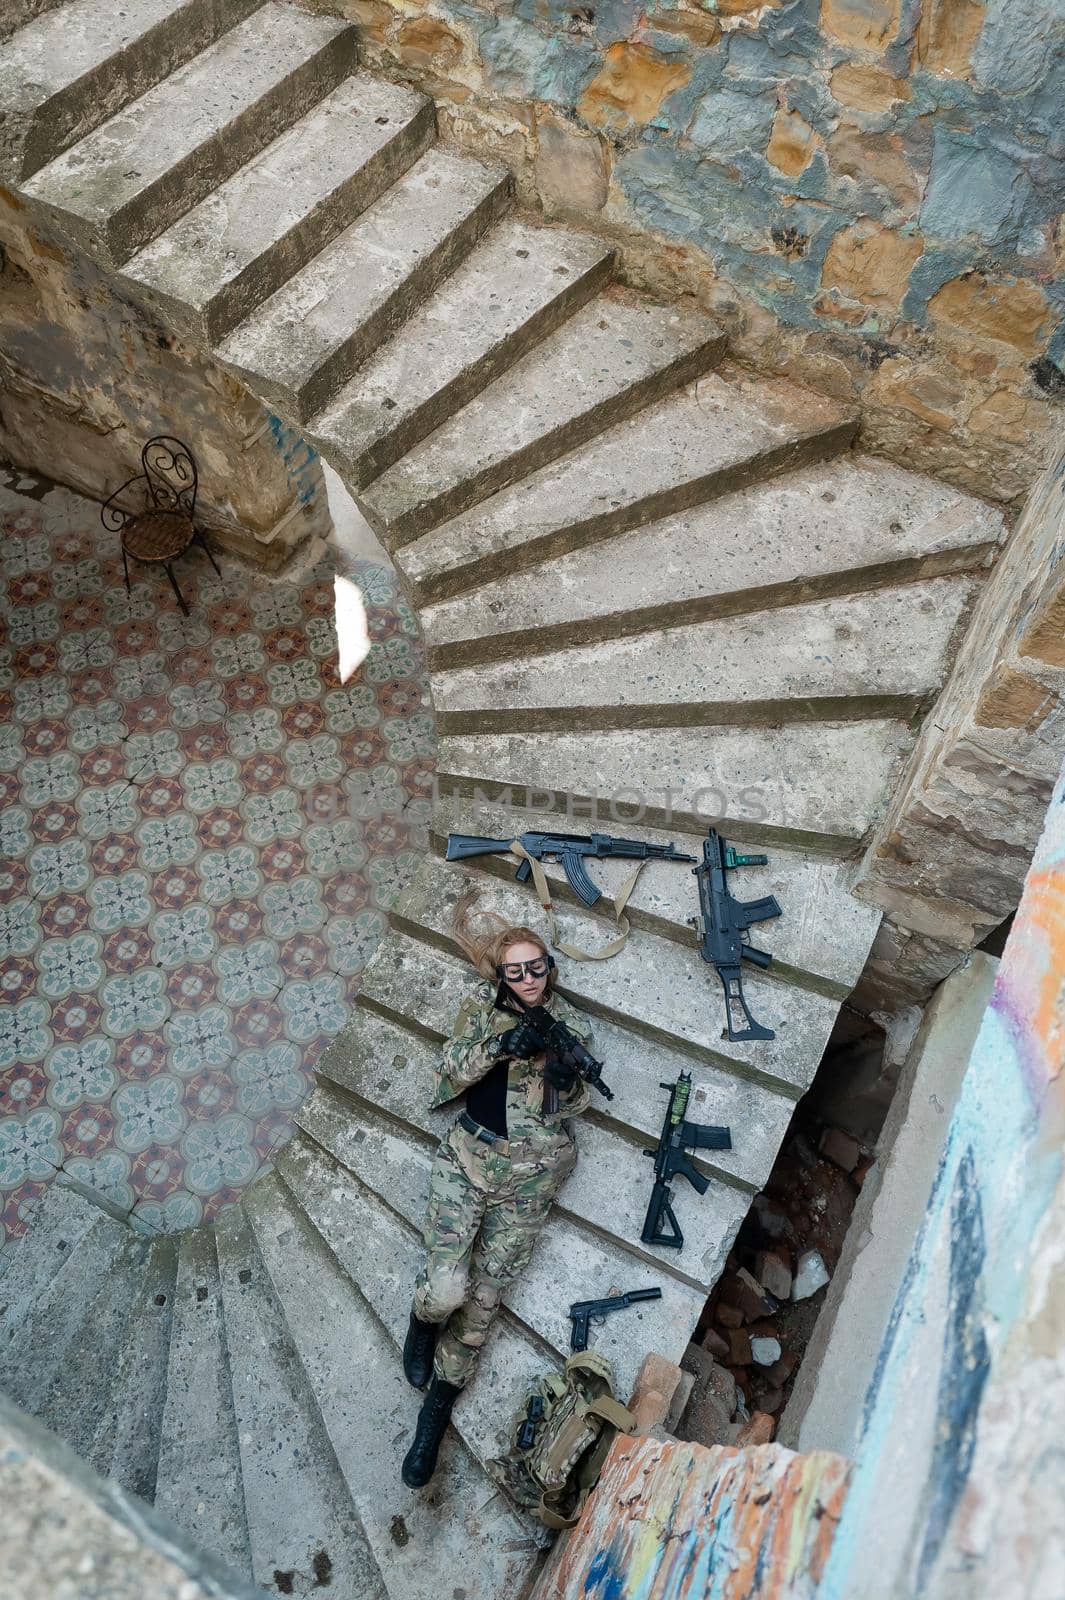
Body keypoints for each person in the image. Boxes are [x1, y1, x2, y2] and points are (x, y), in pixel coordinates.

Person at [400, 892, 595, 1489]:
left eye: (538, 968)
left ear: (548, 971)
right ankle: (422, 1321)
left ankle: (434, 1416)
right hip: (469, 1160)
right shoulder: (481, 1011)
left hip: (531, 1179)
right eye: (517, 970)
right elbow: (452, 1068)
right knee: (446, 1290)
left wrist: (566, 1081)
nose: (530, 979)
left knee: (482, 1305)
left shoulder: (571, 1028)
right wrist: (501, 1047)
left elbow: (579, 1101)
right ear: (501, 974)